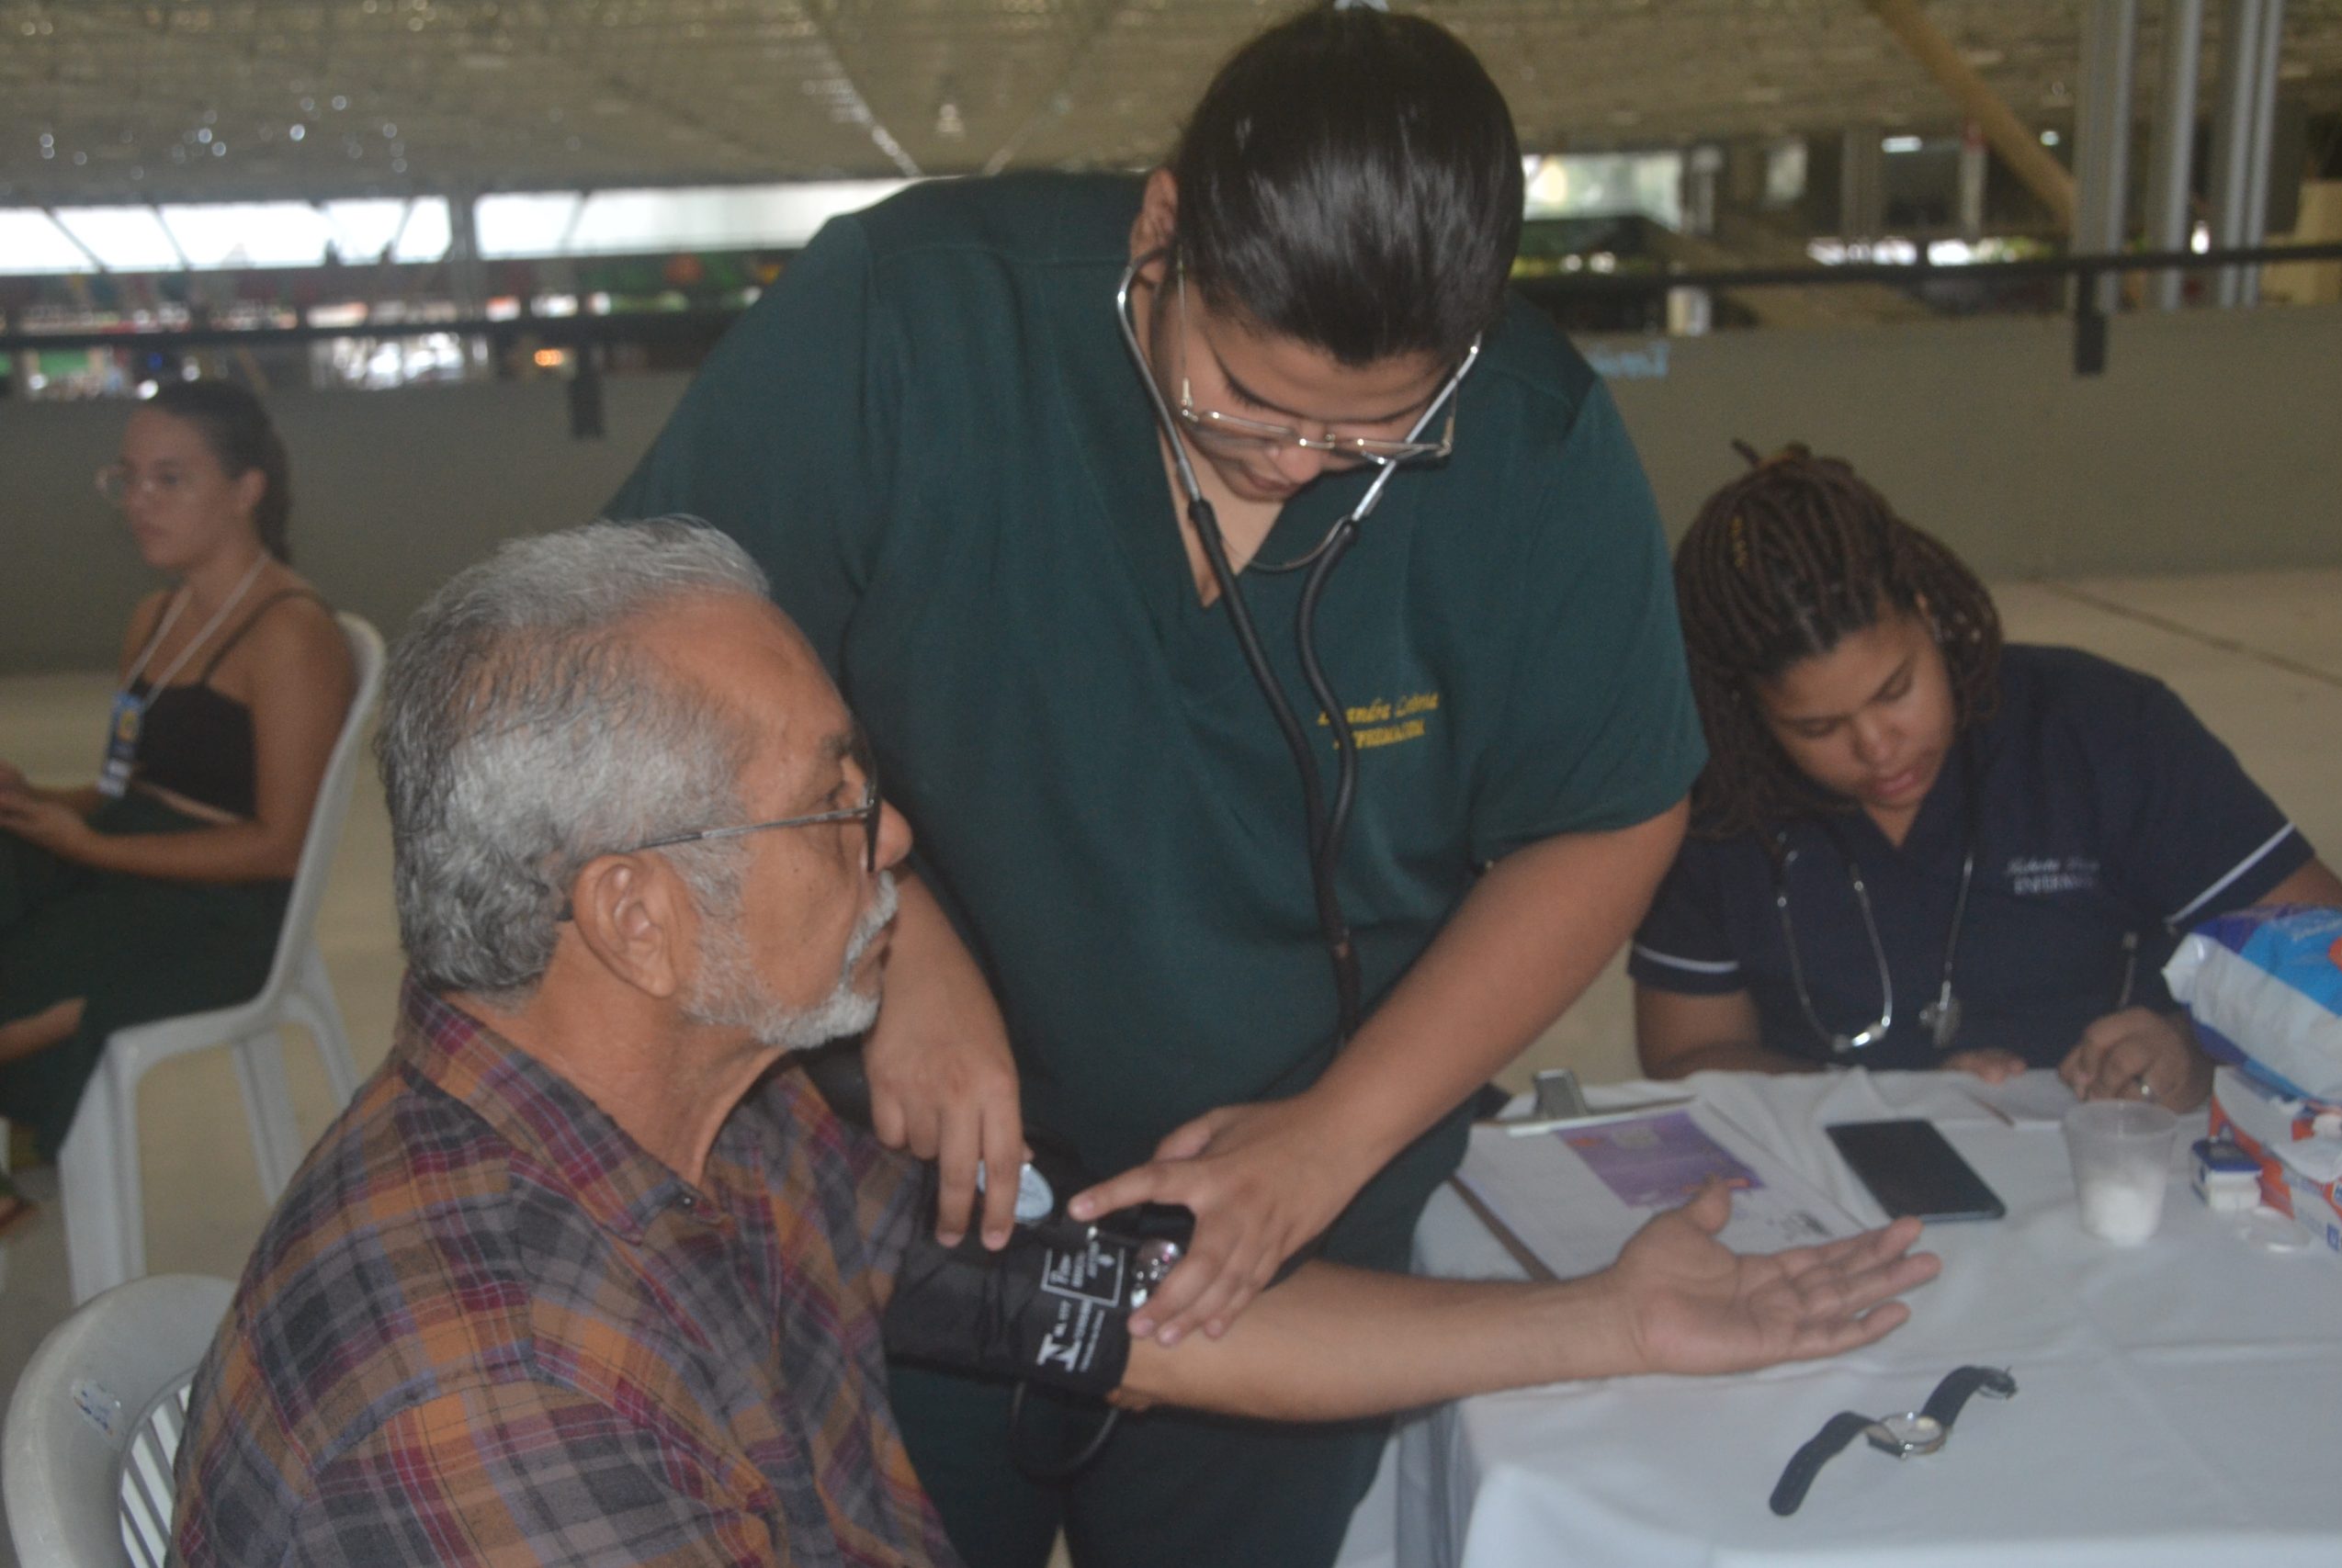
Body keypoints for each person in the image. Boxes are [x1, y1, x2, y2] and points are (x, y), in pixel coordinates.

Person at [170, 521, 1937, 1567]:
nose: (894, 845)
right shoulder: (491, 1387)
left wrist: (1605, 1321)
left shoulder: (701, 1130)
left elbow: (1112, 1321)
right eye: (833, 805)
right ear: (636, 914)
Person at [606, 12, 1703, 1562]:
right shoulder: (915, 321)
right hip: (895, 1182)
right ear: (1165, 224)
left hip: (1286, 1217)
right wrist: (887, 930)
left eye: (1374, 434)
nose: (1297, 464)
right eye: (1242, 401)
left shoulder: (1531, 441)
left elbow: (1608, 812)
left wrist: (1332, 1138)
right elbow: (644, 651)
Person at [1630, 446, 2342, 1110]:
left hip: (2123, 1173)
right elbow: (1687, 1054)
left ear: (1927, 614)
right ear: (1748, 712)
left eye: (1896, 689)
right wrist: (1874, 1097)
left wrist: (2193, 1049)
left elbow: (2331, 962)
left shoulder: (2102, 729)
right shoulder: (1720, 802)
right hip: (1843, 1194)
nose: (1879, 747)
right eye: (1818, 729)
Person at [0, 382, 353, 1214]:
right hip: (131, 853)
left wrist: (86, 845)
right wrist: (37, 801)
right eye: (128, 479)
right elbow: (121, 788)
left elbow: (281, 846)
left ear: (246, 489)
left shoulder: (290, 632)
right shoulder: (155, 616)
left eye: (169, 479)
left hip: (223, 907)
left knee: (32, 957)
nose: (140, 503)